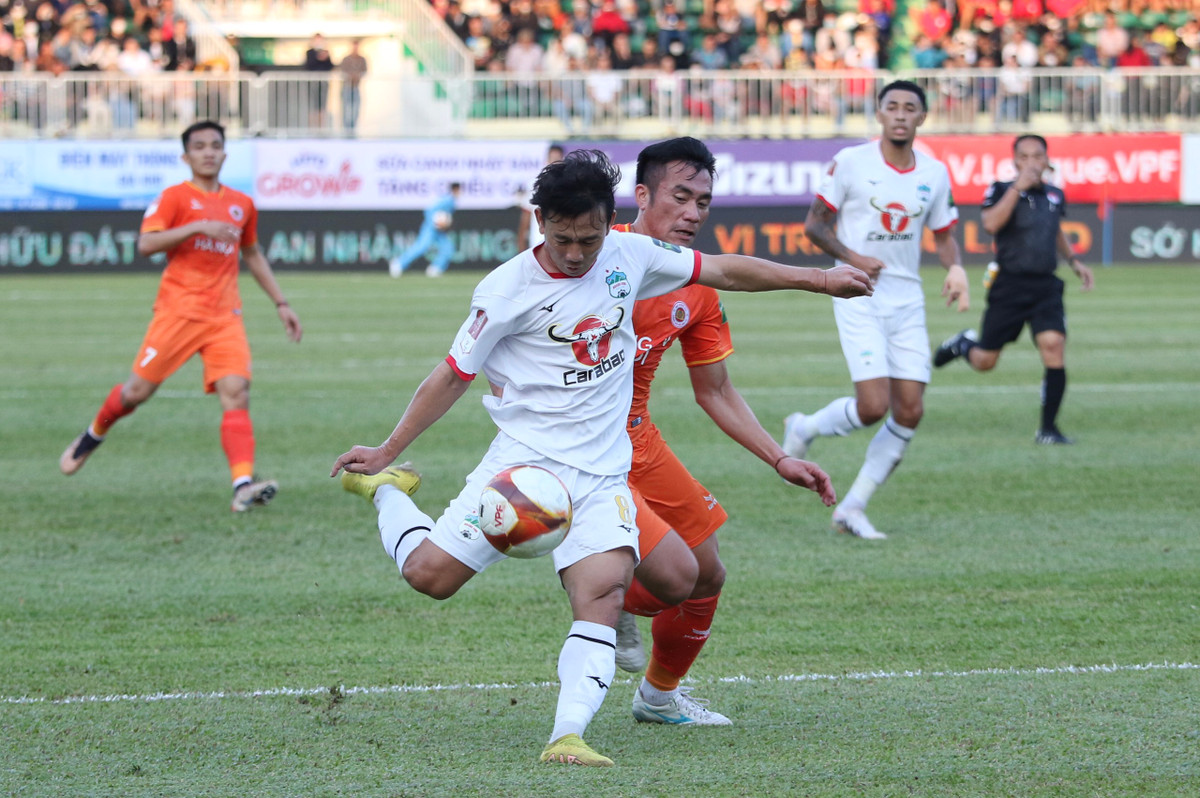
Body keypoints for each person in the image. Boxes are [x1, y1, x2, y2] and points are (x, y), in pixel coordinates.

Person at [331, 150, 872, 768]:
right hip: (522, 469)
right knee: (430, 578)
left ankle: (568, 736)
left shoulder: (630, 255)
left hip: (603, 475)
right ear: (539, 221)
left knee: (605, 595)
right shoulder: (504, 290)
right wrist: (387, 453)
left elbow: (724, 270)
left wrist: (819, 280)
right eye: (561, 239)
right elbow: (453, 375)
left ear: (607, 224)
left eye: (588, 240)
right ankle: (387, 491)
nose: (575, 254)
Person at [611, 137, 837, 726]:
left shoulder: (698, 289)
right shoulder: (596, 251)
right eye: (680, 196)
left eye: (703, 202)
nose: (693, 212)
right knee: (673, 575)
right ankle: (607, 594)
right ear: (642, 196)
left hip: (636, 436)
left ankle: (658, 697)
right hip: (576, 443)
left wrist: (779, 458)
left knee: (707, 571)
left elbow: (714, 391)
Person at [59, 120, 303, 512]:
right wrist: (198, 227)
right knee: (135, 393)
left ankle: (242, 486)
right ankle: (93, 434)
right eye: (199, 146)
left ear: (225, 153)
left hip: (224, 317)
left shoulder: (242, 204)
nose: (208, 152)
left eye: (215, 145)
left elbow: (252, 254)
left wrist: (281, 303)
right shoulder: (174, 198)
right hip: (178, 313)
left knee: (236, 392)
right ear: (185, 156)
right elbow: (146, 243)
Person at [782, 80, 969, 541]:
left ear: (922, 117)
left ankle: (853, 507)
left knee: (910, 411)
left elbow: (944, 234)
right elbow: (815, 225)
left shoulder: (935, 172)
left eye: (910, 108)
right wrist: (854, 258)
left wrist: (956, 268)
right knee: (872, 407)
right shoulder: (851, 161)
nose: (901, 114)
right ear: (880, 114)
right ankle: (805, 426)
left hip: (907, 300)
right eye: (893, 106)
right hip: (857, 292)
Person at [933, 135, 1094, 444]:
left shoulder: (1055, 195)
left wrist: (1074, 261)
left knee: (1053, 345)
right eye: (1024, 156)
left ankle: (1048, 430)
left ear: (1046, 160)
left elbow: (1055, 231)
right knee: (986, 362)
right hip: (1009, 285)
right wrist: (1017, 188)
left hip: (1046, 285)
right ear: (1015, 161)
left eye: (1037, 156)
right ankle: (963, 345)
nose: (1031, 162)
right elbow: (991, 224)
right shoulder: (1000, 189)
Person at [389, 182, 462, 278]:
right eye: (459, 190)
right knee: (421, 247)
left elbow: (446, 219)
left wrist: (443, 226)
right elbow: (429, 210)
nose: (460, 193)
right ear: (455, 190)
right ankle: (398, 263)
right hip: (430, 228)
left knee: (448, 248)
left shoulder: (452, 202)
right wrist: (436, 223)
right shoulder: (446, 200)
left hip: (439, 231)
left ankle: (435, 268)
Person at [516, 143, 564, 252]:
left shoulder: (569, 185)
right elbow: (526, 216)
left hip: (562, 244)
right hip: (539, 242)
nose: (554, 163)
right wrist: (521, 245)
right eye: (552, 159)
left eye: (557, 159)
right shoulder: (535, 184)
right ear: (547, 160)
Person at [339, 39, 368, 134]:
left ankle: (353, 128)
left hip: (356, 87)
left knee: (356, 108)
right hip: (346, 87)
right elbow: (343, 71)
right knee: (345, 108)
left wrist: (357, 76)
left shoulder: (362, 59)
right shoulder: (346, 59)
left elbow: (365, 71)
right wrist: (350, 76)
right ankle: (346, 129)